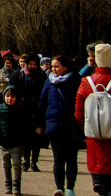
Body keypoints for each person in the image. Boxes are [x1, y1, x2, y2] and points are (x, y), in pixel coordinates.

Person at [37, 53, 80, 196]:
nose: (53, 69)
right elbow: (42, 103)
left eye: (57, 67)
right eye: (52, 67)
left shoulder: (75, 80)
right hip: (54, 126)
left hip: (71, 126)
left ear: (65, 67)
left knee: (72, 160)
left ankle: (70, 188)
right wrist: (40, 124)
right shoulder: (49, 81)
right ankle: (59, 187)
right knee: (58, 159)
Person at [76, 43, 111, 196]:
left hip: (93, 137)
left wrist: (87, 128)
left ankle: (98, 183)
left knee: (97, 168)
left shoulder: (86, 82)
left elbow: (78, 113)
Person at [0, 85, 30, 195]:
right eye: (8, 96)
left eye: (12, 96)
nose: (10, 99)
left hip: (17, 143)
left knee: (17, 164)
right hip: (3, 143)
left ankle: (17, 185)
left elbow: (26, 125)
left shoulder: (21, 110)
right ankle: (8, 184)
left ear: (16, 97)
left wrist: (26, 139)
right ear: (4, 97)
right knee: (5, 165)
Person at [12, 53, 47, 171]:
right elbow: (14, 90)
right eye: (30, 64)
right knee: (26, 138)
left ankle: (34, 161)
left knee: (37, 138)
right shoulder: (20, 75)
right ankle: (26, 160)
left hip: (38, 109)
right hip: (24, 109)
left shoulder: (42, 76)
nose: (33, 66)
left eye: (35, 64)